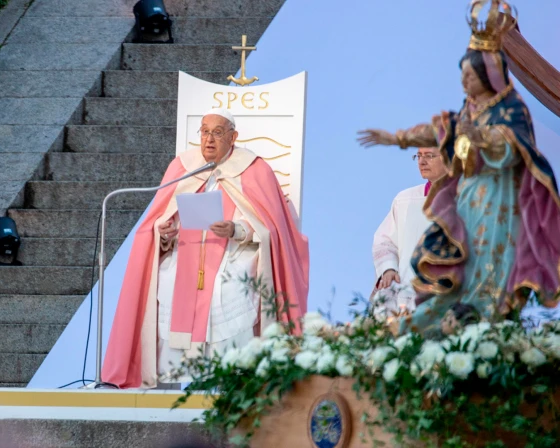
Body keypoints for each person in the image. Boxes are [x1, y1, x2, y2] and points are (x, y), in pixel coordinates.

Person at [357, 0, 560, 336]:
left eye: (470, 75)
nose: (465, 82)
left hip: (497, 201)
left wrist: (479, 137)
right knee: (444, 262)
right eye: (463, 75)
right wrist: (396, 137)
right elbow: (437, 131)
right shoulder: (409, 195)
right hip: (470, 199)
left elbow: (514, 147)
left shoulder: (510, 109)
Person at [102, 108, 309, 388]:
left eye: (218, 132)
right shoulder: (183, 168)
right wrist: (164, 233)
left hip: (234, 252)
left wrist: (235, 229)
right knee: (167, 280)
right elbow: (162, 219)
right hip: (185, 251)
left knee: (231, 287)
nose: (209, 139)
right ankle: (169, 379)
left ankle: (232, 377)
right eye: (204, 131)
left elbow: (271, 227)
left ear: (233, 137)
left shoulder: (255, 169)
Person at [372, 147, 448, 314]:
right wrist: (388, 268)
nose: (421, 161)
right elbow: (385, 241)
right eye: (418, 156)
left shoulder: (466, 199)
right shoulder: (405, 200)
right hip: (407, 297)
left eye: (429, 156)